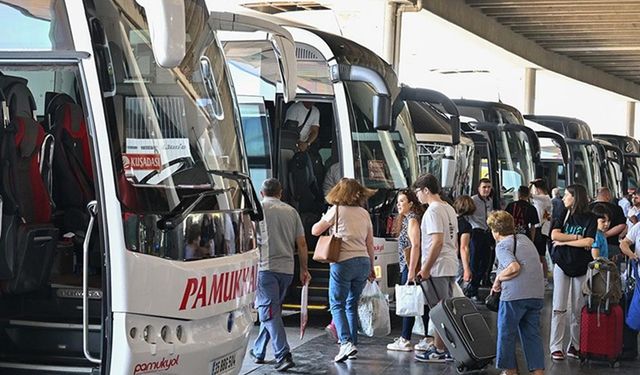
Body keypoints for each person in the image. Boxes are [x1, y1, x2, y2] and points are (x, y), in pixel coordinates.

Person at [249, 178, 312, 372]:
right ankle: (259, 350)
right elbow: (301, 243)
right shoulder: (291, 212)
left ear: (261, 193)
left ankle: (283, 354)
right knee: (272, 312)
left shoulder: (257, 210)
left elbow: (249, 239)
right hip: (287, 270)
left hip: (265, 268)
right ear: (281, 192)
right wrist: (304, 269)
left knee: (269, 312)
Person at [311, 178, 376, 363]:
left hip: (343, 262)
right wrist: (371, 266)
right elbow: (369, 243)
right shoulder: (364, 213)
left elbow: (315, 230)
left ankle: (346, 343)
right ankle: (352, 343)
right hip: (363, 261)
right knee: (351, 304)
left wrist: (325, 218)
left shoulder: (336, 210)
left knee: (336, 304)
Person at [487, 211, 545, 375]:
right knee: (532, 335)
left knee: (506, 333)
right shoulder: (525, 239)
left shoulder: (502, 245)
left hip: (514, 296)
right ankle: (538, 371)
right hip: (536, 293)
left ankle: (510, 370)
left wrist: (498, 279)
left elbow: (514, 267)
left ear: (496, 231)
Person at [412, 174, 458, 363]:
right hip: (449, 264)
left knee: (439, 311)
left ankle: (441, 350)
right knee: (443, 309)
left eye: (418, 192)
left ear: (425, 190)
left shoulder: (433, 211)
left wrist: (425, 268)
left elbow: (437, 242)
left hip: (437, 267)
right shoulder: (449, 208)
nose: (417, 197)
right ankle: (442, 347)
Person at [549, 184, 596, 361]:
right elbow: (554, 235)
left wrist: (565, 241)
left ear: (575, 197)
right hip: (562, 263)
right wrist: (577, 238)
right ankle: (556, 346)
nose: (563, 198)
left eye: (567, 195)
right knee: (558, 306)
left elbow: (590, 241)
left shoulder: (590, 217)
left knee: (578, 308)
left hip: (581, 266)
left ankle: (575, 345)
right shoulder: (563, 213)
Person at [386, 189, 430, 352]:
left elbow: (415, 245)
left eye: (402, 201)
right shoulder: (407, 219)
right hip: (410, 265)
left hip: (410, 265)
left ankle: (406, 338)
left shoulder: (412, 220)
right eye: (398, 201)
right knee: (420, 301)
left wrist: (411, 271)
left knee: (409, 301)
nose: (399, 204)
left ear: (411, 203)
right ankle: (426, 337)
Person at [466, 178, 494, 298]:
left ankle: (477, 284)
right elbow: (466, 214)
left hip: (487, 232)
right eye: (484, 187)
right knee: (474, 261)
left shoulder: (490, 201)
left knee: (486, 261)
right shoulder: (473, 200)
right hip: (476, 232)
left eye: (488, 187)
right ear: (479, 188)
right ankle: (472, 288)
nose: (486, 189)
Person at [589, 187, 626, 262]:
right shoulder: (616, 208)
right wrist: (607, 234)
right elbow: (621, 225)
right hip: (613, 245)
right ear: (608, 196)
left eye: (608, 221)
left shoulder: (588, 207)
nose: (606, 224)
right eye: (603, 221)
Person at [529, 179, 553, 282]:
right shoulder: (547, 198)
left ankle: (544, 277)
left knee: (540, 255)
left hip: (541, 228)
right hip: (543, 228)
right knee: (540, 254)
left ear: (538, 189)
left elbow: (528, 194)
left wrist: (530, 183)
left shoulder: (543, 198)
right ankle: (543, 277)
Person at [453, 195, 475, 286]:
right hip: (458, 260)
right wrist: (467, 269)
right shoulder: (465, 225)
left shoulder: (449, 220)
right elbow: (464, 247)